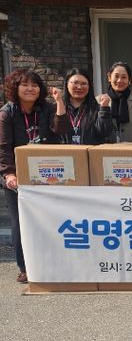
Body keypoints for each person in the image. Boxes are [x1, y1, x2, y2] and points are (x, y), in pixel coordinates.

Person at [0, 68, 67, 283]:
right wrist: (9, 174)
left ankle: (52, 263)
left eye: (35, 85)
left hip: (47, 174)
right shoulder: (7, 113)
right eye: (25, 85)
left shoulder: (46, 108)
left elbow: (60, 130)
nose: (30, 89)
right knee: (21, 223)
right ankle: (25, 267)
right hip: (18, 177)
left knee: (49, 220)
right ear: (15, 88)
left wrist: (59, 103)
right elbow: (3, 147)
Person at [54, 68, 112, 145]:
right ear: (67, 84)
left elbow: (104, 132)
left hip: (90, 152)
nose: (79, 87)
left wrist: (104, 109)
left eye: (84, 84)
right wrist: (59, 101)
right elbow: (58, 131)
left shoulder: (97, 109)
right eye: (75, 83)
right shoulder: (57, 108)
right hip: (64, 152)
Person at [99, 61, 132, 143]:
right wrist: (103, 108)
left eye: (124, 77)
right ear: (109, 77)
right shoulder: (99, 100)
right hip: (108, 148)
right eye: (116, 76)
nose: (119, 80)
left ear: (129, 80)